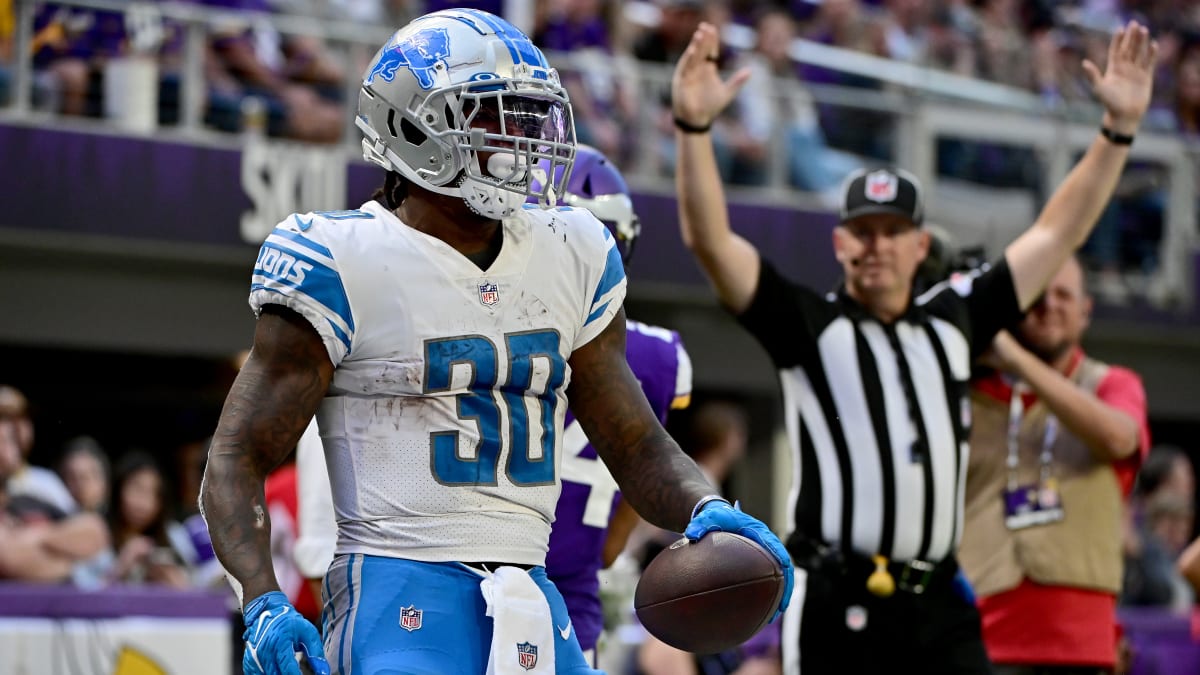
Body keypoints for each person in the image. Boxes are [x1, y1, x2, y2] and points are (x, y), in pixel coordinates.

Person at [197, 10, 792, 675]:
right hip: (396, 591)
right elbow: (236, 455)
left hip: (531, 594)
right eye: (493, 115)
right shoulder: (343, 258)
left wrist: (708, 507)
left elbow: (634, 441)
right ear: (412, 126)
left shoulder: (573, 249)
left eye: (530, 118)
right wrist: (263, 599)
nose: (522, 138)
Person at [670, 18, 1157, 675]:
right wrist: (694, 131)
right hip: (838, 591)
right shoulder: (809, 325)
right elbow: (711, 243)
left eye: (892, 230)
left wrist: (1118, 130)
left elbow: (1055, 232)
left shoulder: (953, 321)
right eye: (862, 231)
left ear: (920, 246)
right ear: (839, 244)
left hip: (938, 598)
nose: (876, 244)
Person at [957, 255, 1151, 674]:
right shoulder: (970, 391)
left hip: (1078, 645)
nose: (1049, 304)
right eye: (1037, 293)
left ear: (1086, 311)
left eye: (1064, 294)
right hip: (979, 639)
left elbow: (1119, 438)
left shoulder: (1112, 383)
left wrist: (1016, 360)